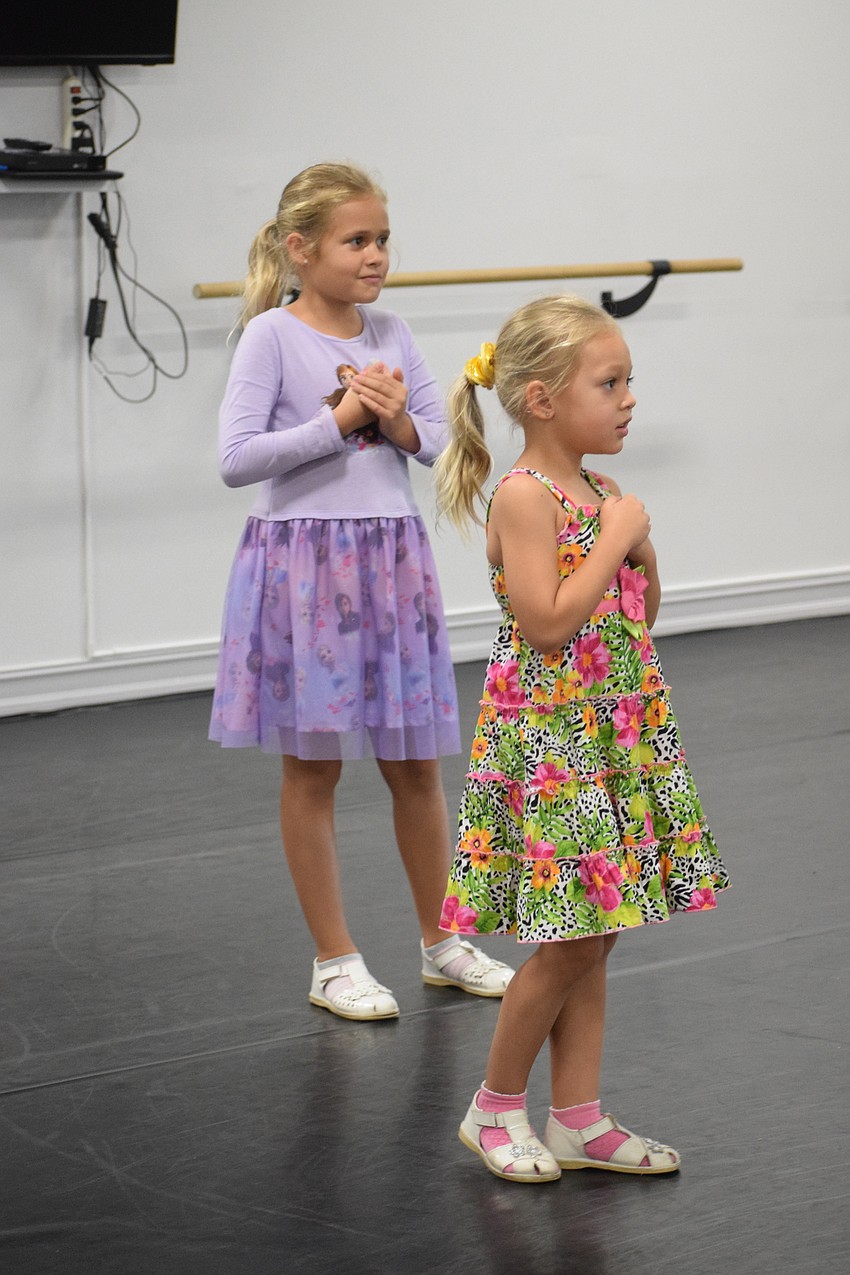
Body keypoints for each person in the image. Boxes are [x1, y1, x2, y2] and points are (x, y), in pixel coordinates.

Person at [434, 295, 730, 1182]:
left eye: (629, 380)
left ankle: (578, 1115)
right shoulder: (528, 497)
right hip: (554, 751)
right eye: (610, 382)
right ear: (541, 399)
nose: (628, 398)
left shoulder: (600, 493)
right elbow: (547, 620)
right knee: (566, 938)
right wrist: (616, 537)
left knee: (602, 929)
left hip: (613, 736)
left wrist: (639, 555)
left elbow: (634, 618)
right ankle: (492, 1107)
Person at [209, 162, 514, 1021]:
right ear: (300, 249)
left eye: (382, 238)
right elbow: (235, 461)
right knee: (313, 767)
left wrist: (392, 418)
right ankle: (334, 958)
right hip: (305, 569)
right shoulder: (271, 337)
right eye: (357, 240)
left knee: (416, 763)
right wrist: (337, 423)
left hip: (389, 565)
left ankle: (443, 938)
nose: (376, 254)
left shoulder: (393, 330)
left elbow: (430, 448)